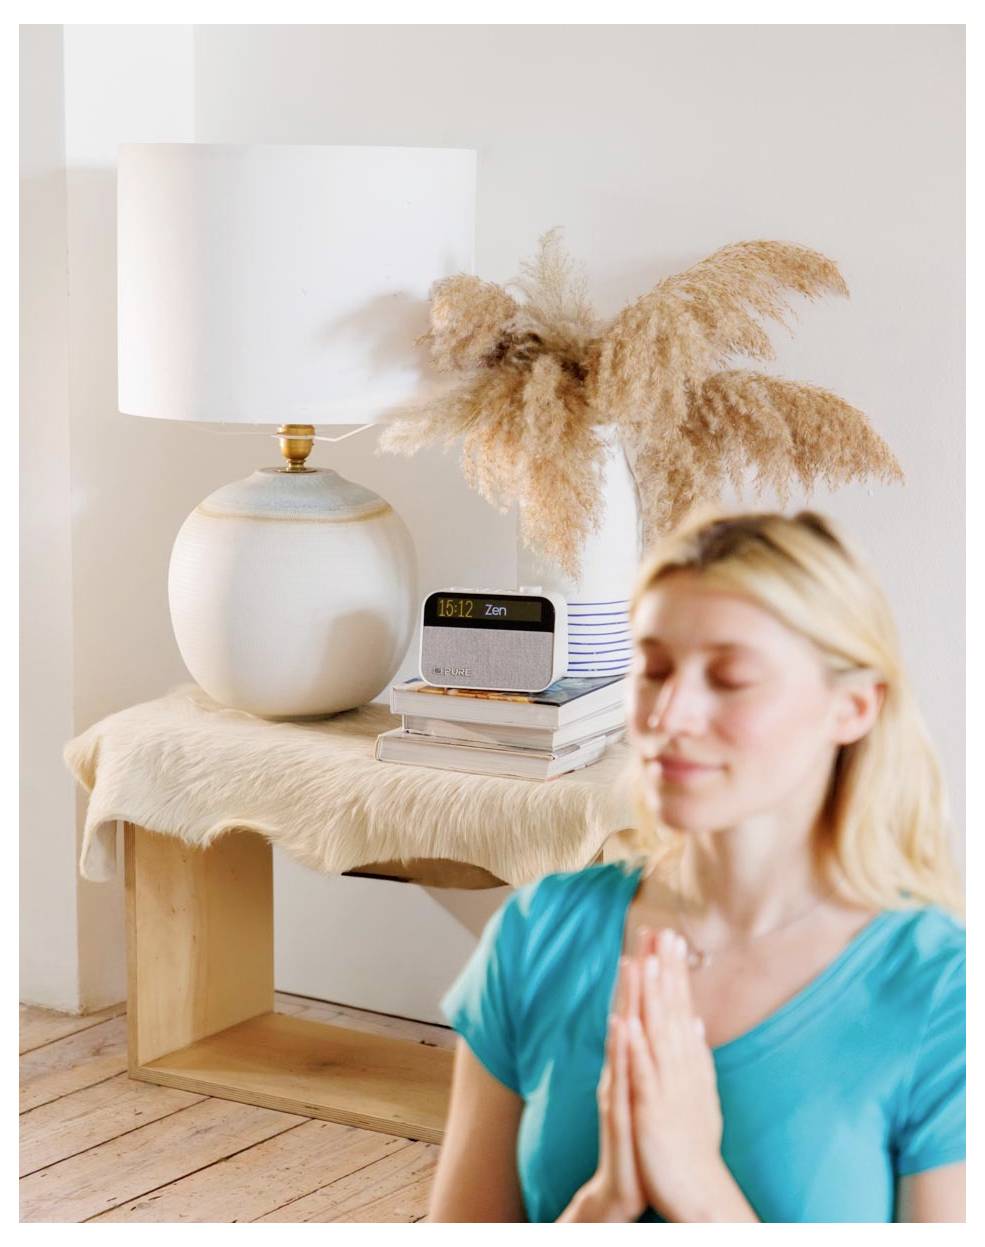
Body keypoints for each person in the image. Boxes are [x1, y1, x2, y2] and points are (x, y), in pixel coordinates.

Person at [426, 510, 965, 1223]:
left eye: (731, 677)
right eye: (652, 669)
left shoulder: (941, 996)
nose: (668, 713)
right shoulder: (536, 933)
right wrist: (604, 1202)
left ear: (852, 707)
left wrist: (696, 1186)